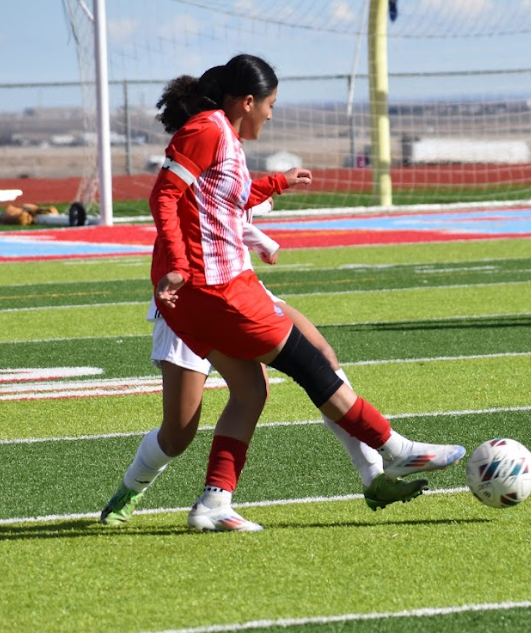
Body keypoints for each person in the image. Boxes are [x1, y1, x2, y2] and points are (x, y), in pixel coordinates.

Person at [147, 54, 465, 532]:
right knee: (313, 366)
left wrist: (279, 183)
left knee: (251, 390)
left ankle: (214, 502)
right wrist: (175, 263)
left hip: (202, 294)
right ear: (248, 101)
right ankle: (397, 450)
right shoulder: (209, 129)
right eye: (271, 104)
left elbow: (225, 196)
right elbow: (163, 195)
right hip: (219, 289)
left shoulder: (222, 134)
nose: (272, 114)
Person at [100, 208, 430, 528]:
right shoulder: (202, 158)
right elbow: (198, 208)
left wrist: (270, 190)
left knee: (321, 356)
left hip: (239, 290)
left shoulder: (232, 155)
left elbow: (235, 202)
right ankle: (132, 488)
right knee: (178, 434)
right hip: (189, 300)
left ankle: (373, 476)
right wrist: (260, 235)